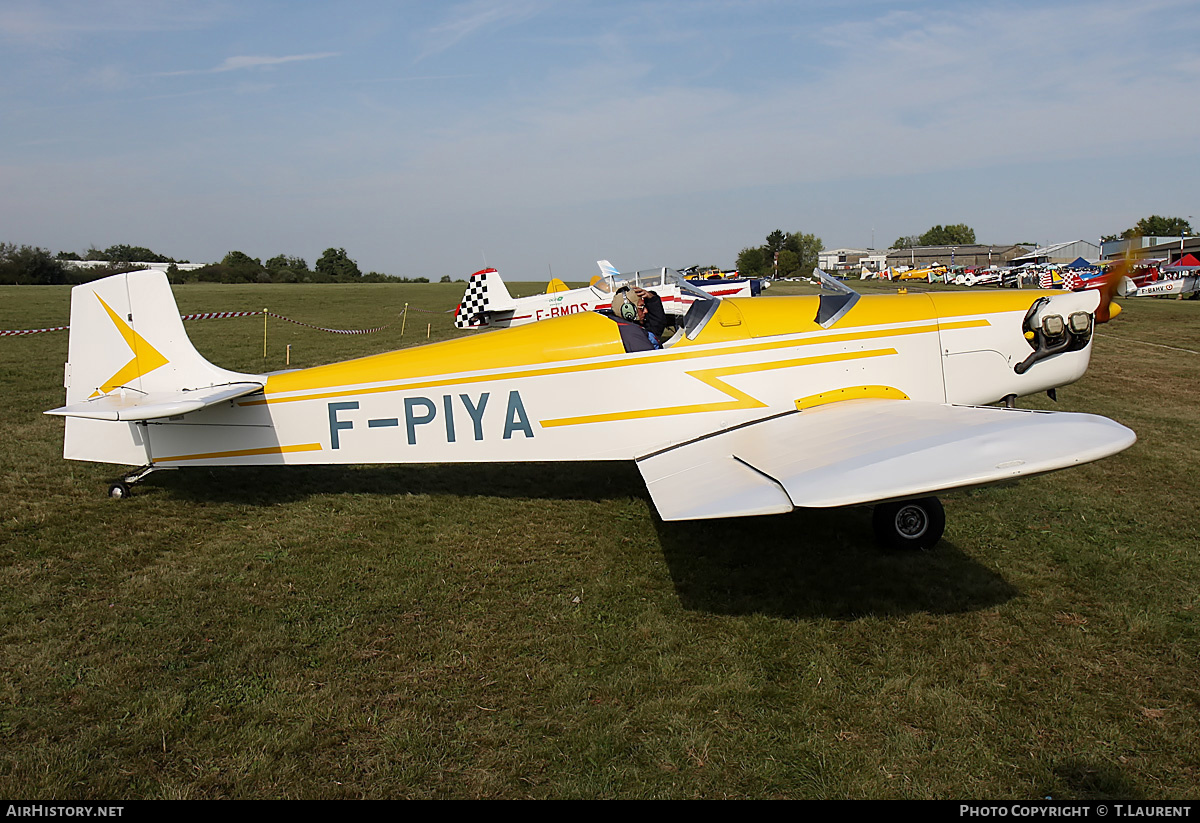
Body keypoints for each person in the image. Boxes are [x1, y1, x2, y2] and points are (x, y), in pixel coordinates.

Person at [609, 286, 664, 351]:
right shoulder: (633, 336)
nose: (645, 311)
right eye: (641, 307)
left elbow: (656, 325)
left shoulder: (631, 328)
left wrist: (652, 299)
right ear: (628, 310)